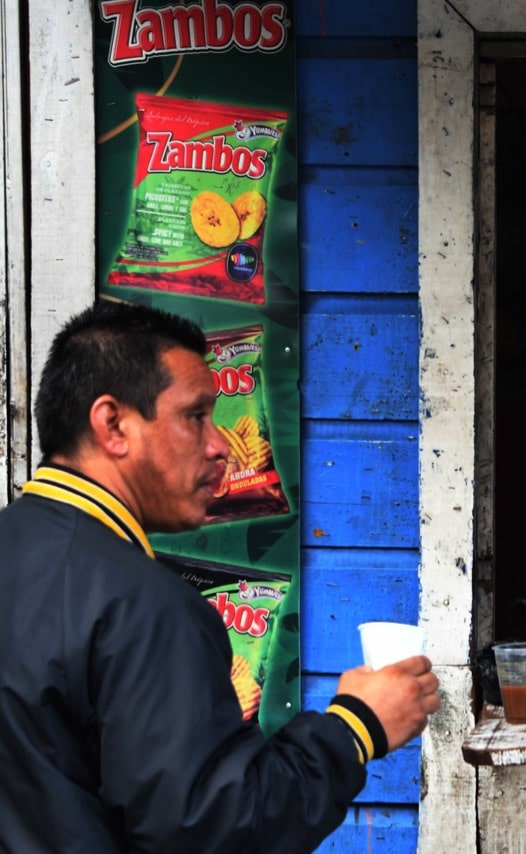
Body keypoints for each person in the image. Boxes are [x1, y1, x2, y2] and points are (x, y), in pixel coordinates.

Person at [0, 301, 440, 852]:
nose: (220, 445)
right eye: (196, 416)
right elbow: (213, 828)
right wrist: (356, 727)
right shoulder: (143, 606)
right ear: (113, 424)